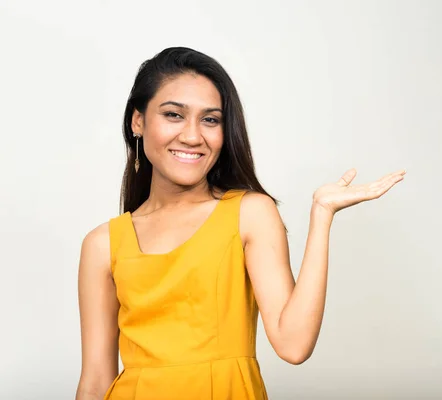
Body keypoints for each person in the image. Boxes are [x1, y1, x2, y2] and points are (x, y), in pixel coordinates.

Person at [75, 46, 406, 400]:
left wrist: (321, 216)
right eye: (174, 115)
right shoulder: (102, 243)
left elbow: (293, 345)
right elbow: (95, 383)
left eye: (210, 119)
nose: (192, 135)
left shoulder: (249, 213)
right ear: (137, 121)